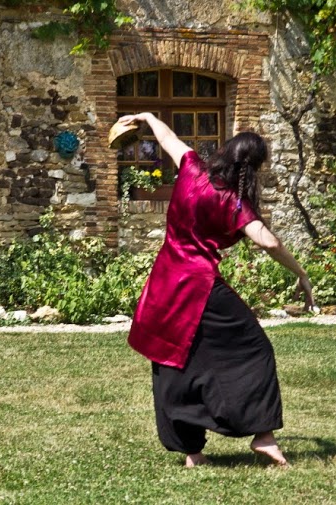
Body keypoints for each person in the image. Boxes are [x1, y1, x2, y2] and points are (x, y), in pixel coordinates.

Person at [121, 112, 315, 468]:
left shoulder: (192, 168)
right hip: (198, 285)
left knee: (176, 362)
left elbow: (167, 140)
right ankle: (263, 436)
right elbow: (268, 241)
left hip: (164, 282)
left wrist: (148, 116)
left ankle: (192, 453)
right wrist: (300, 272)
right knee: (255, 349)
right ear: (253, 168)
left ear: (225, 152)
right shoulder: (233, 202)